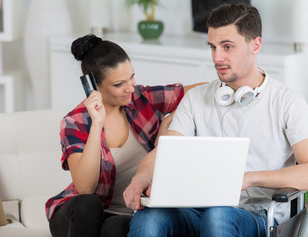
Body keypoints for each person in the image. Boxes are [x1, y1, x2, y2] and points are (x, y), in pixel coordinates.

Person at [123, 3, 308, 237]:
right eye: (213, 47)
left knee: (218, 214)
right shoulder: (196, 99)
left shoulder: (287, 102)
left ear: (255, 45)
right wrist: (140, 178)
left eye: (227, 47)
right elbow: (163, 153)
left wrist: (247, 179)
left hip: (260, 214)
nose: (217, 57)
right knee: (149, 217)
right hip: (196, 207)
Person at [45, 34, 203, 237]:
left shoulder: (142, 99)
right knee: (87, 204)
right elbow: (85, 187)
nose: (130, 88)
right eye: (119, 84)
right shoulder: (74, 122)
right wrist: (97, 123)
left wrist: (169, 119)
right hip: (79, 216)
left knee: (116, 227)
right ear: (93, 86)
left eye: (132, 77)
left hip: (123, 215)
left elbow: (202, 91)